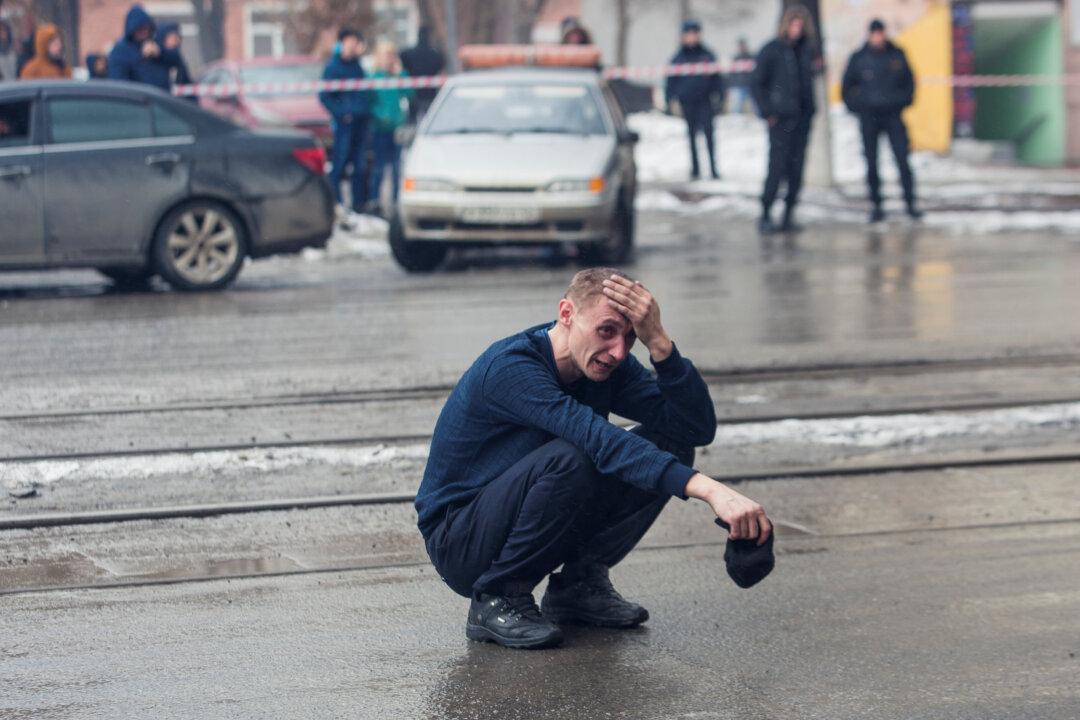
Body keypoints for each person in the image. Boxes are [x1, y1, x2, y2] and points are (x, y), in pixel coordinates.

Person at [416, 268, 772, 650]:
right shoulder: (512, 368)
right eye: (606, 330)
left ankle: (578, 585)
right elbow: (598, 440)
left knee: (670, 446)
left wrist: (660, 344)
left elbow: (693, 428)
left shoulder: (605, 363)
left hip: (527, 511)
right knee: (576, 455)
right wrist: (712, 491)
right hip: (461, 539)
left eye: (631, 337)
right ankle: (497, 597)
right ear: (567, 314)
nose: (618, 351)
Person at [842, 19, 922, 222]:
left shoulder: (896, 54)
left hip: (893, 115)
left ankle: (910, 202)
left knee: (902, 159)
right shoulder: (859, 58)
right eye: (875, 34)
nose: (878, 37)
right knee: (871, 162)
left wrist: (901, 101)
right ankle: (876, 205)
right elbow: (847, 87)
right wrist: (858, 107)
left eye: (880, 33)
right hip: (869, 117)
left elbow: (910, 82)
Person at [752, 5, 817, 234]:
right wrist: (768, 112)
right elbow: (757, 83)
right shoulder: (772, 50)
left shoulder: (806, 50)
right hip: (780, 120)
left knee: (796, 170)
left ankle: (789, 213)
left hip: (802, 118)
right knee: (777, 168)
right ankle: (766, 212)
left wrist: (810, 111)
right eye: (793, 24)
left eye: (800, 25)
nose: (797, 29)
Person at [319, 28, 371, 217]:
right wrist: (342, 113)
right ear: (342, 43)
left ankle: (358, 204)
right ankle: (337, 203)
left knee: (359, 165)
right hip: (344, 124)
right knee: (339, 164)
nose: (353, 46)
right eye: (350, 42)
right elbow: (325, 96)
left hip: (361, 122)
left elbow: (364, 92)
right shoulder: (333, 67)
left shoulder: (358, 67)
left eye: (356, 42)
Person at [665, 20, 724, 181]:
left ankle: (713, 169)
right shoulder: (678, 58)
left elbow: (717, 79)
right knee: (691, 136)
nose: (691, 37)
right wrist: (669, 101)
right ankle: (695, 169)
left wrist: (720, 97)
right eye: (688, 34)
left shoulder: (707, 55)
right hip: (687, 102)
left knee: (709, 136)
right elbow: (670, 81)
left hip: (705, 100)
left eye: (694, 34)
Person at [367, 40, 412, 216]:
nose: (387, 59)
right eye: (385, 55)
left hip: (396, 128)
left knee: (396, 167)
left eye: (390, 55)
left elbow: (409, 94)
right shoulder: (372, 78)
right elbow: (369, 102)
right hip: (379, 128)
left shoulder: (397, 77)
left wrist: (401, 74)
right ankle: (374, 200)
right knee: (378, 166)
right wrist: (379, 116)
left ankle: (395, 201)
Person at [107, 5, 184, 92]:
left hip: (161, 96)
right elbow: (118, 82)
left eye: (146, 28)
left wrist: (159, 52)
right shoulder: (120, 51)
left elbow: (176, 59)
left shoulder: (155, 44)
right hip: (138, 97)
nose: (144, 32)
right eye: (140, 29)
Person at [399, 26, 444, 122]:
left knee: (413, 121)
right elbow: (441, 62)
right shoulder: (434, 55)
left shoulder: (409, 53)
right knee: (430, 120)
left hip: (414, 93)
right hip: (430, 93)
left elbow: (402, 57)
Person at [156, 22, 193, 87]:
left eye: (179, 38)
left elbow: (187, 83)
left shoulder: (179, 62)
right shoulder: (155, 63)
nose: (178, 41)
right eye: (174, 38)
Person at [728, 37, 756, 115]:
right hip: (738, 86)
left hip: (750, 85)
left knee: (756, 106)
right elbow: (731, 74)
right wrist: (731, 86)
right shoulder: (735, 59)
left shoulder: (752, 57)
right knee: (736, 108)